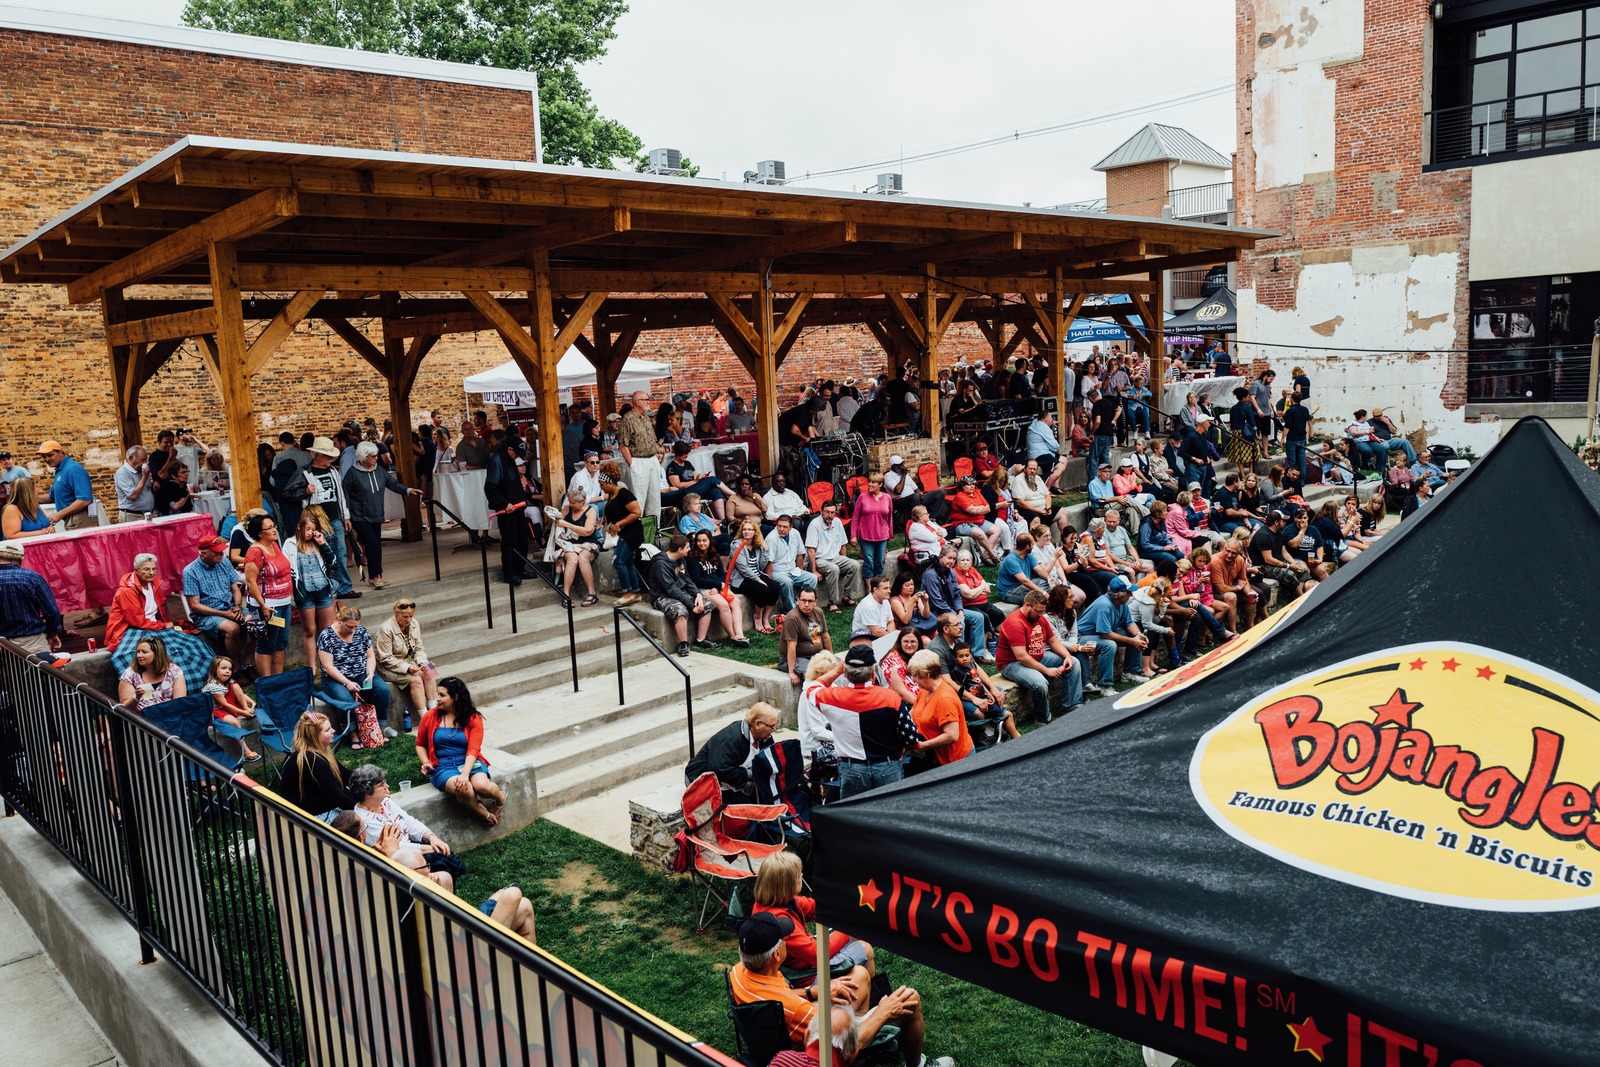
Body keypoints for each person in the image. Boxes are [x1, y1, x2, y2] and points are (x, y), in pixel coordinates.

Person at [729, 913, 940, 1066]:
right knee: (910, 999)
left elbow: (777, 998)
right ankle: (916, 1065)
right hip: (815, 1051)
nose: (786, 941)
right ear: (776, 956)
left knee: (858, 975)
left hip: (781, 1033)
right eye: (783, 940)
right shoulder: (798, 1012)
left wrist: (812, 992)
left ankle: (867, 1034)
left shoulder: (739, 973)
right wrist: (885, 1010)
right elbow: (841, 1045)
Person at [805, 645, 911, 797]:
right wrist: (904, 747)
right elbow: (909, 735)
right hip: (887, 766)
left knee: (854, 818)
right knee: (890, 817)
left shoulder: (833, 697)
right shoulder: (890, 697)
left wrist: (837, 671)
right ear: (873, 673)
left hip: (852, 769)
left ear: (846, 674)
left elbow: (811, 688)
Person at [106, 551, 214, 687]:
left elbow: (161, 609)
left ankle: (184, 684)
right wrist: (163, 626)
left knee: (186, 645)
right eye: (146, 569)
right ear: (136, 571)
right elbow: (137, 621)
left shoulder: (154, 584)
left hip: (153, 626)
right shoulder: (127, 591)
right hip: (132, 629)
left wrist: (164, 625)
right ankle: (150, 687)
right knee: (154, 653)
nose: (151, 572)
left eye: (153, 569)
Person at [346, 764, 454, 886]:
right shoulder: (364, 820)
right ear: (367, 793)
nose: (387, 786)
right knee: (441, 861)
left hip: (412, 849)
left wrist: (431, 837)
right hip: (398, 860)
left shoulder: (385, 802)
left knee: (445, 856)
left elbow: (408, 821)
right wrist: (430, 848)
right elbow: (395, 848)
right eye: (381, 785)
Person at [417, 676, 504, 826]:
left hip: (469, 761)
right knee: (464, 789)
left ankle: (500, 798)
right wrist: (426, 763)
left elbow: (473, 749)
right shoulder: (431, 716)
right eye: (437, 694)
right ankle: (483, 813)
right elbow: (420, 744)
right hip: (442, 766)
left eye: (442, 695)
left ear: (455, 697)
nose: (437, 699)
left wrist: (465, 774)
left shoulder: (473, 718)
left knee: (482, 786)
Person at [995, 590, 1083, 721]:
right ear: (1027, 605)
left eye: (1043, 611)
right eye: (1038, 611)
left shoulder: (1040, 618)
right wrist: (1047, 670)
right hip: (1011, 664)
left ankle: (1071, 705)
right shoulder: (1015, 623)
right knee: (1040, 683)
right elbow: (1022, 656)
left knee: (1074, 663)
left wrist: (1067, 656)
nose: (1041, 614)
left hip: (1037, 656)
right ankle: (1043, 718)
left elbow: (1053, 641)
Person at [343, 441, 421, 590]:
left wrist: (409, 490)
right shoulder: (352, 473)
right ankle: (376, 576)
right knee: (372, 544)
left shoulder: (379, 471)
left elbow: (393, 484)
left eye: (376, 455)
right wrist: (346, 516)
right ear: (364, 457)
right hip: (359, 516)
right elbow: (344, 496)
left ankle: (374, 576)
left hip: (376, 514)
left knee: (376, 545)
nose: (376, 458)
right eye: (373, 456)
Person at [316, 603, 390, 749]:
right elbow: (328, 666)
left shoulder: (361, 631)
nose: (353, 630)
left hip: (361, 673)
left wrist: (370, 673)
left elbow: (370, 657)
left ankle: (380, 727)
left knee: (383, 690)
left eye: (355, 626)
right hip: (334, 679)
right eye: (349, 626)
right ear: (339, 620)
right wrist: (346, 682)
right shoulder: (326, 636)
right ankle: (352, 733)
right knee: (345, 699)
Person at [683, 702, 780, 803]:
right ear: (757, 724)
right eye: (772, 726)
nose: (774, 730)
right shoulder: (731, 739)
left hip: (733, 781)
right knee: (747, 809)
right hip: (702, 780)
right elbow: (721, 770)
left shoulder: (765, 737)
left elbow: (771, 757)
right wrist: (750, 774)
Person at [239, 513, 295, 678]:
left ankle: (278, 679)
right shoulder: (255, 552)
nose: (274, 530)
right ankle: (267, 681)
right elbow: (250, 581)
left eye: (274, 526)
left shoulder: (274, 545)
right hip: (267, 606)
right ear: (259, 533)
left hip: (283, 602)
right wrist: (263, 605)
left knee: (280, 643)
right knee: (266, 644)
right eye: (269, 528)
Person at [276, 711, 357, 820]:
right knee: (360, 823)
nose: (334, 731)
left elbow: (345, 775)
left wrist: (372, 781)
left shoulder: (320, 751)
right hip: (310, 817)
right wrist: (363, 810)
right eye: (328, 730)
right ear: (314, 736)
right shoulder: (312, 760)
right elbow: (336, 795)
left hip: (319, 803)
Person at [183, 533, 248, 665]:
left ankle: (248, 663)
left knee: (256, 622)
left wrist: (237, 606)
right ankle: (234, 667)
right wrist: (224, 614)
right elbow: (195, 606)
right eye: (216, 552)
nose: (221, 554)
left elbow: (236, 589)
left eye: (221, 551)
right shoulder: (190, 571)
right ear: (203, 553)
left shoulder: (224, 562)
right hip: (206, 616)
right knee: (232, 629)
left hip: (230, 608)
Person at [650, 534, 720, 656]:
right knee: (680, 610)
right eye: (687, 547)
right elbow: (671, 589)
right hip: (663, 596)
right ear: (680, 550)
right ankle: (683, 643)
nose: (690, 549)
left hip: (680, 592)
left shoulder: (681, 560)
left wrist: (697, 594)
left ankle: (700, 640)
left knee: (707, 604)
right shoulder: (661, 564)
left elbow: (687, 579)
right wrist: (690, 605)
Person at [1075, 575, 1148, 689]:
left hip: (1101, 633)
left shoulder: (1122, 603)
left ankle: (1129, 673)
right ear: (1119, 594)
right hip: (1083, 636)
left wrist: (1138, 635)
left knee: (1137, 635)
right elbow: (1106, 634)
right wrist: (1132, 641)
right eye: (1129, 592)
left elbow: (1129, 623)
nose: (1132, 594)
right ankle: (1104, 685)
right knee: (1109, 645)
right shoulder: (1104, 605)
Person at [376, 597, 438, 725]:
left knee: (431, 671)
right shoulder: (386, 629)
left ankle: (435, 711)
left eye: (410, 616)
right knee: (416, 680)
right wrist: (406, 667)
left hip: (411, 662)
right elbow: (385, 658)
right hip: (391, 666)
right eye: (405, 617)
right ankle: (426, 718)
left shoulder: (414, 623)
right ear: (396, 613)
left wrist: (422, 663)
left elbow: (419, 648)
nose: (408, 620)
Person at [922, 547, 989, 663]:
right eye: (949, 558)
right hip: (935, 612)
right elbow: (937, 601)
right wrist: (955, 615)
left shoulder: (951, 572)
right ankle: (959, 655)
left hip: (951, 609)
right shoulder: (930, 574)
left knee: (978, 617)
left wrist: (960, 610)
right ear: (941, 557)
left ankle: (977, 654)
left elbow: (957, 595)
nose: (952, 561)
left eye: (954, 559)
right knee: (959, 622)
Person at [905, 650, 972, 767]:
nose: (914, 679)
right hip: (936, 758)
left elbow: (952, 735)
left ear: (927, 674)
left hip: (956, 761)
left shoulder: (944, 699)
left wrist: (922, 746)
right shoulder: (925, 691)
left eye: (915, 675)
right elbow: (913, 712)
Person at [687, 529, 751, 647]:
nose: (702, 543)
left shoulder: (714, 554)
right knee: (724, 605)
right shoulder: (692, 557)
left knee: (736, 602)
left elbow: (722, 574)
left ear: (710, 541)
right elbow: (697, 579)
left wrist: (719, 585)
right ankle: (733, 636)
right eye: (699, 541)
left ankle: (739, 634)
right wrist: (717, 585)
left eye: (704, 540)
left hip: (717, 587)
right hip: (703, 589)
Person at [484, 433, 532, 587]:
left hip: (517, 507)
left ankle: (521, 568)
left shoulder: (510, 459)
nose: (518, 456)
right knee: (510, 541)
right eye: (517, 453)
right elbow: (490, 488)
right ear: (510, 449)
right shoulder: (497, 460)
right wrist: (504, 503)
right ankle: (510, 573)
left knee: (522, 540)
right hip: (507, 509)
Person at [596, 461, 645, 606]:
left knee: (618, 562)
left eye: (602, 484)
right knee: (628, 562)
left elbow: (637, 513)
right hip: (623, 533)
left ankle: (627, 592)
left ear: (610, 483)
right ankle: (635, 593)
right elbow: (614, 510)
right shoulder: (611, 495)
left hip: (632, 533)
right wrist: (603, 520)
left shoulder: (624, 494)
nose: (601, 486)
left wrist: (618, 524)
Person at [0, 541, 62, 653]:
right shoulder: (32, 577)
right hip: (31, 642)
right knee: (38, 670)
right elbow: (52, 612)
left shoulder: (32, 578)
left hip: (2, 642)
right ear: (20, 558)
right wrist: (53, 632)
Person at [546, 487, 601, 605]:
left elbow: (587, 531)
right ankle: (565, 595)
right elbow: (557, 522)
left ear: (582, 501)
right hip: (570, 543)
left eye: (573, 502)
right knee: (572, 558)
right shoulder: (567, 509)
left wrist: (567, 524)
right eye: (569, 502)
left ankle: (592, 594)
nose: (570, 504)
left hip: (588, 543)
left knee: (583, 557)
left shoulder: (591, 511)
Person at [805, 502, 860, 614]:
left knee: (854, 564)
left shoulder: (837, 522)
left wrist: (844, 561)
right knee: (833, 568)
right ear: (821, 511)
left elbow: (843, 544)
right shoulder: (814, 524)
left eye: (832, 512)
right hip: (819, 559)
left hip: (835, 557)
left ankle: (847, 596)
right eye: (827, 512)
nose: (830, 515)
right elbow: (810, 549)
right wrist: (814, 570)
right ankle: (832, 601)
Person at [201, 655, 260, 760]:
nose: (227, 671)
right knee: (235, 723)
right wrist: (243, 713)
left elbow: (242, 694)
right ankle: (246, 752)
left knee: (235, 686)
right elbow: (225, 705)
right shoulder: (213, 685)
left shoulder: (226, 682)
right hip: (216, 711)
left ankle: (247, 709)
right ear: (215, 670)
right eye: (223, 668)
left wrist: (252, 703)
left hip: (226, 706)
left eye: (230, 669)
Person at [1249, 510, 1313, 602]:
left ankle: (1296, 596)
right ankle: (1303, 601)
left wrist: (1293, 563)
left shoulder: (1278, 533)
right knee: (1289, 574)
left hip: (1277, 563)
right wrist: (1288, 566)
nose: (1285, 522)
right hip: (1263, 567)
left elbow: (1284, 552)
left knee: (1302, 570)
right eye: (1283, 520)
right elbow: (1268, 559)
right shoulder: (1263, 536)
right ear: (1276, 522)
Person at [618, 390, 664, 517]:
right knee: (639, 498)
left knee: (654, 497)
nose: (648, 401)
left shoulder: (646, 417)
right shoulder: (628, 419)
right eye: (645, 399)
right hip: (638, 460)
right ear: (637, 402)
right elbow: (623, 445)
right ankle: (639, 530)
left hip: (651, 459)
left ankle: (654, 529)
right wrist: (632, 464)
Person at [117, 635, 186, 712]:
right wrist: (136, 697)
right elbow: (123, 708)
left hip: (169, 717)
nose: (139, 655)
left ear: (157, 654)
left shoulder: (174, 671)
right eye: (138, 651)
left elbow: (180, 703)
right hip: (142, 720)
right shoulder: (130, 674)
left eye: (144, 652)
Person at [36, 441, 95, 529]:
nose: (47, 459)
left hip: (80, 519)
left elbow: (85, 499)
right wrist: (30, 498)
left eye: (50, 455)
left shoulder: (73, 469)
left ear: (60, 453)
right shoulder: (60, 470)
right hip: (73, 520)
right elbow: (52, 497)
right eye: (44, 457)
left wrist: (59, 514)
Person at [662, 441, 726, 519]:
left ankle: (723, 521)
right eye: (685, 453)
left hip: (695, 489)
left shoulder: (688, 463)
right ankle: (733, 495)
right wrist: (695, 481)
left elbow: (695, 478)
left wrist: (699, 477)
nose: (687, 455)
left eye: (687, 453)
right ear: (678, 453)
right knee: (711, 479)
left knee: (716, 491)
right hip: (684, 493)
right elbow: (677, 485)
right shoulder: (672, 467)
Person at [782, 587, 832, 685]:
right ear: (798, 600)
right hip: (799, 658)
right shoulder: (792, 618)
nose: (806, 604)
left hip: (817, 655)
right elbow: (791, 646)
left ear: (815, 602)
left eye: (810, 601)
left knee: (838, 668)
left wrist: (831, 657)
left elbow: (825, 636)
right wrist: (791, 672)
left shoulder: (818, 612)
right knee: (815, 674)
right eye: (803, 600)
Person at [946, 475, 1001, 563]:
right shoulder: (960, 496)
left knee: (997, 530)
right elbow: (972, 511)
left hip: (979, 521)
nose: (972, 486)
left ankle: (986, 555)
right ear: (963, 486)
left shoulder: (977, 493)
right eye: (969, 484)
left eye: (973, 484)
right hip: (963, 523)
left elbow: (987, 507)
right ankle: (992, 555)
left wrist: (978, 508)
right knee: (980, 533)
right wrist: (981, 508)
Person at [850, 473, 893, 581]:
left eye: (873, 482)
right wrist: (853, 535)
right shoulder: (862, 497)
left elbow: (890, 517)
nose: (870, 484)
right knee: (869, 562)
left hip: (882, 535)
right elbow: (855, 517)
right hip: (866, 535)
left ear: (880, 484)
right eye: (869, 481)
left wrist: (890, 534)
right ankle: (869, 590)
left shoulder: (887, 498)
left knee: (879, 562)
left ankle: (878, 586)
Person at [953, 549, 1007, 632]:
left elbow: (988, 589)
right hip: (969, 605)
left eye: (968, 560)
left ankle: (1001, 637)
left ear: (971, 561)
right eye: (962, 560)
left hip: (983, 603)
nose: (965, 562)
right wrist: (981, 587)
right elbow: (968, 595)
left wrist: (974, 591)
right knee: (984, 617)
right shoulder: (956, 573)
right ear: (957, 562)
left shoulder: (973, 570)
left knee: (998, 613)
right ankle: (985, 642)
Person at [996, 532, 1045, 605]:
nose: (1033, 546)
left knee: (1045, 582)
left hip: (1022, 586)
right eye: (1032, 544)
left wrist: (1050, 579)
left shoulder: (1028, 555)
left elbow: (1040, 571)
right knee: (1036, 600)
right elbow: (1024, 581)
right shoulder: (1011, 559)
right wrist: (1044, 593)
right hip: (1010, 591)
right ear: (1027, 546)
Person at [1026, 411, 1069, 490]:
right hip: (1039, 455)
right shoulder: (1044, 428)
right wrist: (1058, 450)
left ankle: (1055, 486)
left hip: (1042, 453)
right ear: (1046, 419)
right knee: (1060, 467)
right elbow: (1054, 445)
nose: (1052, 420)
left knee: (1064, 460)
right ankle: (1046, 489)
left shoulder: (1036, 423)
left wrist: (1053, 423)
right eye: (1051, 418)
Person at [1, 476, 53, 540]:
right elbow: (11, 535)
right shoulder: (11, 509)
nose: (39, 489)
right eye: (36, 487)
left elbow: (46, 523)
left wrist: (50, 528)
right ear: (29, 491)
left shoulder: (35, 505)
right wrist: (42, 532)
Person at [114, 445, 155, 522]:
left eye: (146, 460)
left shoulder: (141, 471)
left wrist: (153, 487)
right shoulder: (123, 473)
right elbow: (133, 495)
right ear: (131, 458)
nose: (144, 463)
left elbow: (144, 490)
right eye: (142, 460)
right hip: (132, 516)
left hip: (147, 514)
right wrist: (144, 477)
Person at [849, 574, 895, 643]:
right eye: (885, 588)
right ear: (875, 589)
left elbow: (890, 622)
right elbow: (876, 631)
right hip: (865, 636)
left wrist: (894, 636)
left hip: (881, 633)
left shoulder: (885, 600)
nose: (889, 591)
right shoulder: (867, 605)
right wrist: (892, 638)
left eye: (889, 588)